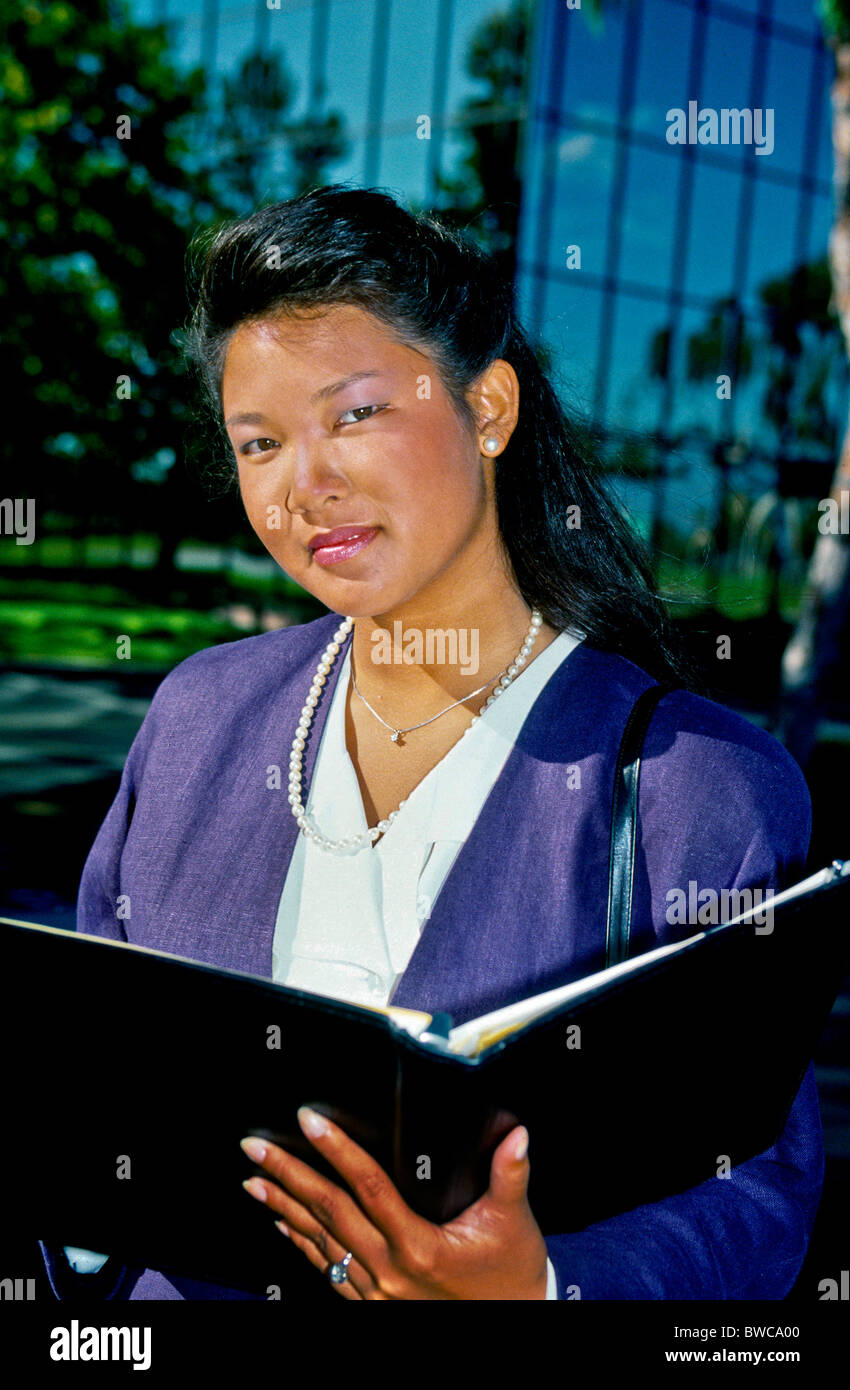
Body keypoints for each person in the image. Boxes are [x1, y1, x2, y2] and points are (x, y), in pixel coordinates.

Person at [40, 185, 822, 1301]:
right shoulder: (198, 721)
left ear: (488, 408)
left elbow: (752, 1188)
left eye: (355, 414)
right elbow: (88, 1082)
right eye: (259, 442)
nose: (305, 484)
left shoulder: (694, 788)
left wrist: (545, 1287)